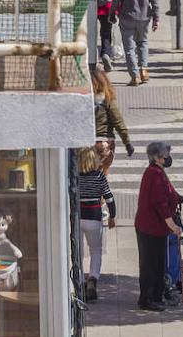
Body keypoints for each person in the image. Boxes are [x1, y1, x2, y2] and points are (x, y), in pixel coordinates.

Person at [134, 142, 183, 312]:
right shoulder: (154, 174)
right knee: (151, 265)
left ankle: (156, 296)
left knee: (159, 264)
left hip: (156, 228)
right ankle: (147, 299)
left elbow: (169, 192)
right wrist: (172, 225)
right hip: (150, 228)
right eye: (165, 155)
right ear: (156, 157)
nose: (168, 158)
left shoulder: (158, 172)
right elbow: (159, 203)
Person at [111, 0, 159, 86]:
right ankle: (144, 69)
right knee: (143, 43)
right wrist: (156, 18)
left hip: (127, 17)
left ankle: (134, 75)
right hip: (144, 17)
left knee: (129, 47)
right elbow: (155, 0)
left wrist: (112, 12)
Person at [77, 147, 116, 302]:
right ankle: (92, 279)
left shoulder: (75, 176)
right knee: (96, 250)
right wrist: (112, 216)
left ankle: (79, 280)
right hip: (94, 217)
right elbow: (109, 198)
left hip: (78, 217)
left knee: (78, 251)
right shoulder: (99, 176)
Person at [92, 68, 134, 174]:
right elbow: (118, 122)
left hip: (87, 144)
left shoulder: (84, 100)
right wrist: (127, 143)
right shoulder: (108, 99)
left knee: (86, 177)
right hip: (104, 143)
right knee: (102, 177)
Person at [96, 0, 117, 71]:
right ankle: (106, 53)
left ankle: (91, 57)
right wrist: (116, 9)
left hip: (91, 7)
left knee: (88, 34)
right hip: (107, 6)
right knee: (106, 32)